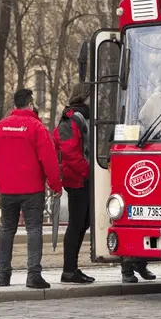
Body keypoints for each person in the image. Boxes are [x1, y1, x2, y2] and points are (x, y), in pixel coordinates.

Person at [0, 89, 63, 289]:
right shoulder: (37, 128)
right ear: (30, 105)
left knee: (6, 229)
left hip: (7, 190)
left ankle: (3, 275)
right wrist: (55, 185)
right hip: (32, 190)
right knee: (34, 230)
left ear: (14, 105)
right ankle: (33, 275)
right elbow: (49, 160)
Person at [52, 83, 95, 284]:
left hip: (81, 176)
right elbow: (70, 153)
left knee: (83, 222)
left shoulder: (81, 118)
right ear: (85, 97)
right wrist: (89, 172)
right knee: (77, 224)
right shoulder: (71, 119)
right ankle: (69, 270)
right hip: (78, 178)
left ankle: (73, 268)